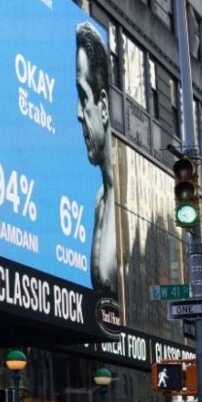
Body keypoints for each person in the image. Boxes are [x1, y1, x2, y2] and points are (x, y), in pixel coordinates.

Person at [74, 23, 118, 296]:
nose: (79, 113)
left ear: (103, 107)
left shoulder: (127, 203)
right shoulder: (100, 201)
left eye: (82, 97)